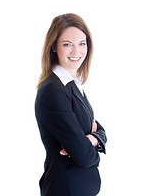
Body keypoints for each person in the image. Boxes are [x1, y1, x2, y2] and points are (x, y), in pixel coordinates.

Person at [35, 13, 107, 196]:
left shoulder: (73, 84)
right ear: (54, 46)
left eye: (82, 43)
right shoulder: (53, 91)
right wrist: (91, 141)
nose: (76, 52)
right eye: (67, 44)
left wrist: (91, 138)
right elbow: (84, 156)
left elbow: (100, 129)